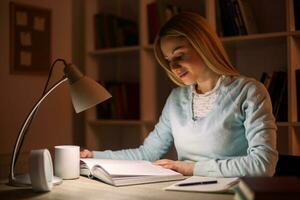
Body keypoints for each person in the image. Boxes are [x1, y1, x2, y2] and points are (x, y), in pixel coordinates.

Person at [81, 12, 278, 177]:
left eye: (180, 55)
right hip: (185, 191)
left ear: (204, 46)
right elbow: (148, 153)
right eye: (168, 60)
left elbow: (263, 164)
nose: (173, 67)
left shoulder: (249, 92)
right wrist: (94, 156)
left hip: (234, 193)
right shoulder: (176, 99)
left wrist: (191, 168)